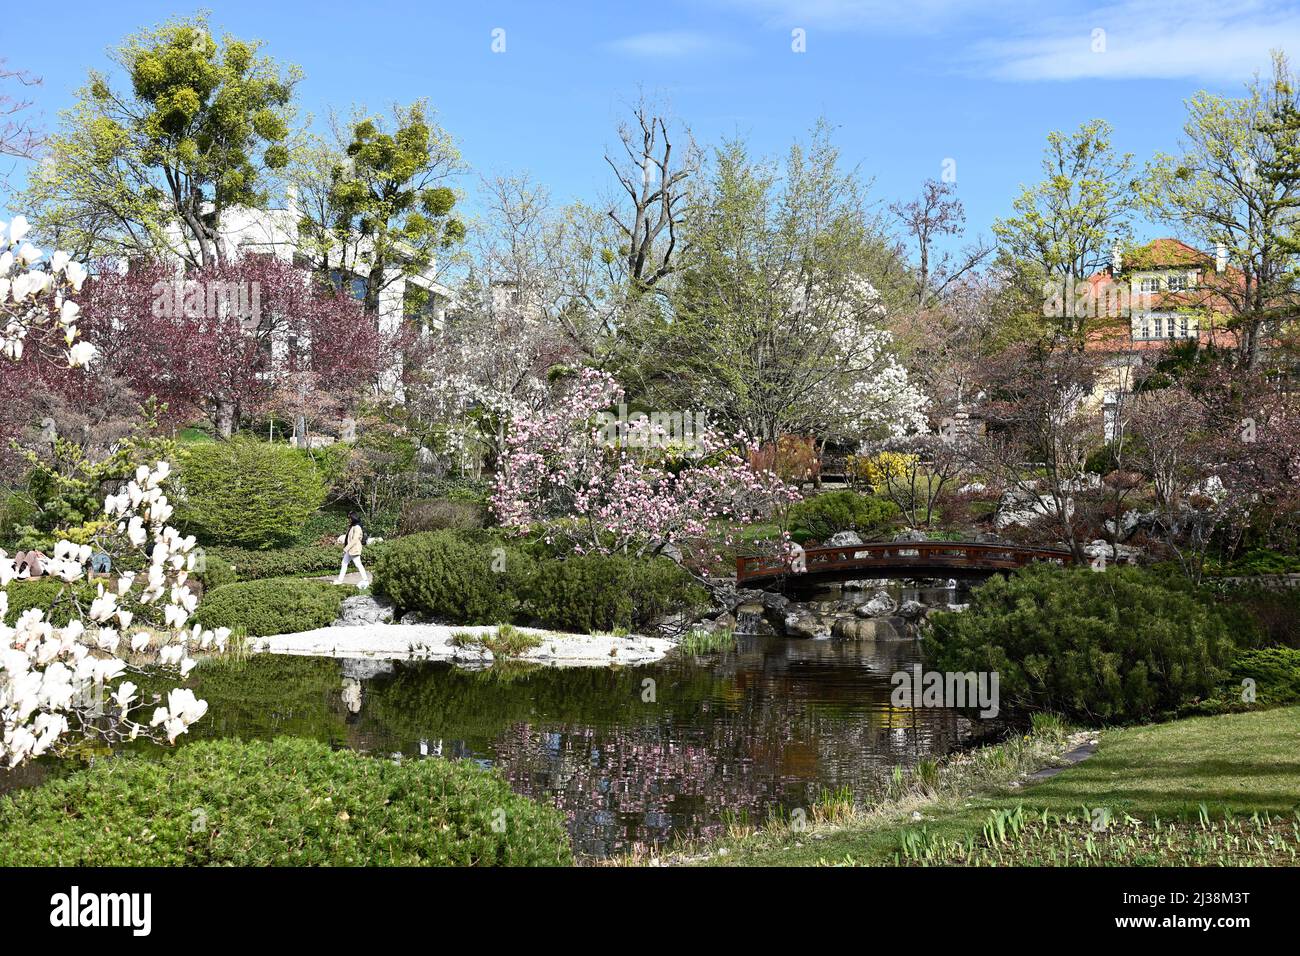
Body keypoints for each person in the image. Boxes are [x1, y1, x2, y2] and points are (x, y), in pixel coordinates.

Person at [335, 512, 370, 588]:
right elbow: (349, 538)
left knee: (358, 564)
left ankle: (365, 580)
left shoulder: (357, 527)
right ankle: (340, 580)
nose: (349, 519)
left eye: (350, 518)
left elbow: (355, 540)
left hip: (354, 549)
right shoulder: (352, 526)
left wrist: (346, 548)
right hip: (350, 549)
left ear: (353, 518)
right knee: (344, 563)